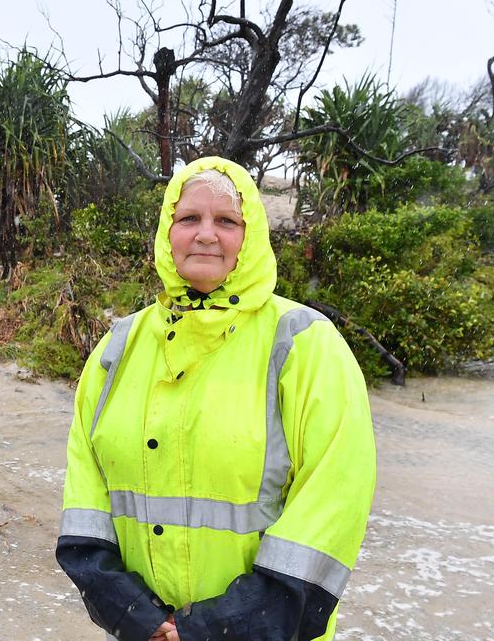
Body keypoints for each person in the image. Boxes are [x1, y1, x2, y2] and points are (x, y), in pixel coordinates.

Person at [56, 157, 375, 641]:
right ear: (168, 233)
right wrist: (135, 615)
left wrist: (213, 628)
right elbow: (86, 493)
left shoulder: (304, 343)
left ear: (251, 238)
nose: (206, 234)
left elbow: (334, 498)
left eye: (226, 221)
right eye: (189, 219)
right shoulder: (117, 348)